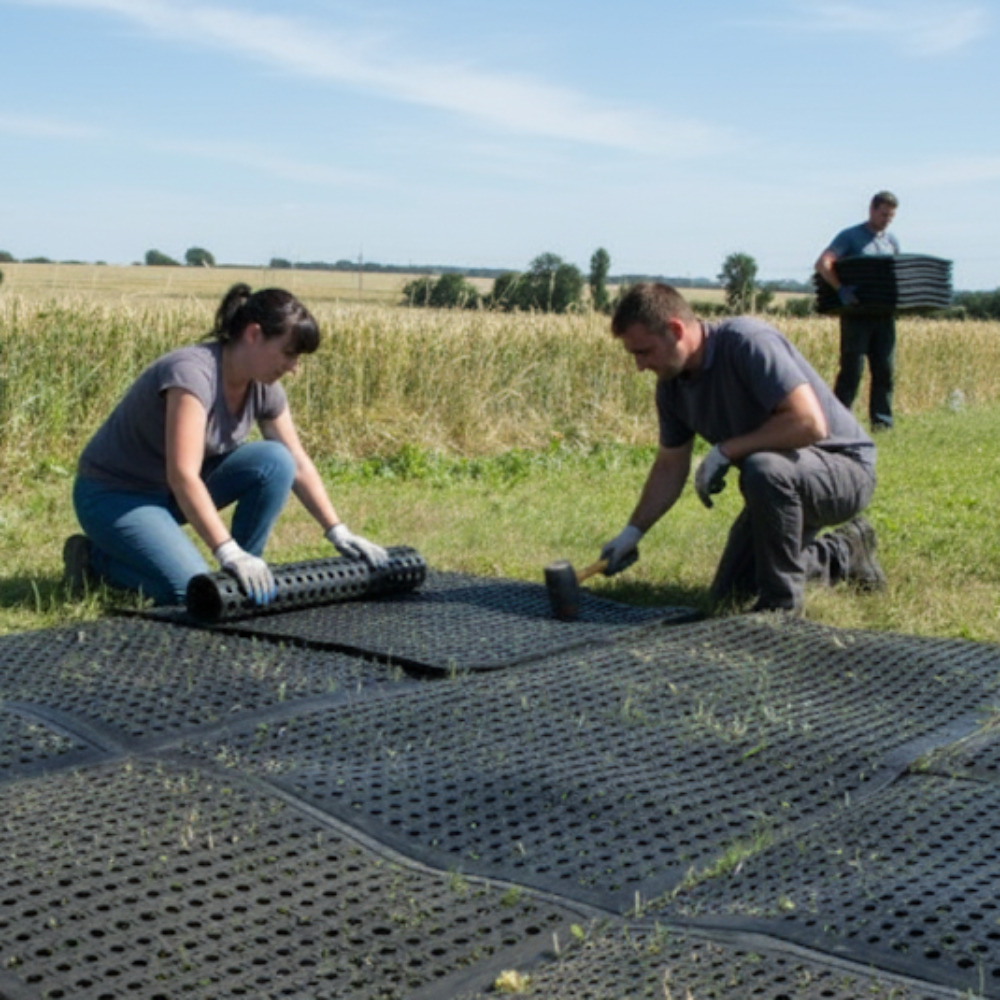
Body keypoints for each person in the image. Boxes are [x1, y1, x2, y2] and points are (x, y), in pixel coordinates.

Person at [65, 283, 388, 606]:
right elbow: (183, 475)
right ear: (253, 334)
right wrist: (226, 550)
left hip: (169, 494)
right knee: (188, 592)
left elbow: (297, 461)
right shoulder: (191, 375)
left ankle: (245, 572)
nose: (294, 368)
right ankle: (94, 561)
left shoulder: (263, 387)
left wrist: (337, 530)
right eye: (289, 353)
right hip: (116, 496)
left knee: (276, 460)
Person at [599, 282, 885, 615]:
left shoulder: (746, 342)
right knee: (731, 591)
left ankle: (780, 608)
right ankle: (845, 552)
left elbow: (809, 423)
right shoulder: (672, 388)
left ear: (676, 329)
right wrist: (632, 533)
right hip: (780, 481)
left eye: (644, 352)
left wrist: (727, 450)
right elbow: (668, 467)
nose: (640, 366)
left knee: (763, 468)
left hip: (843, 471)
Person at [815, 190, 900, 431]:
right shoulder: (850, 237)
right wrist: (841, 289)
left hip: (883, 316)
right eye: (883, 214)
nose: (886, 220)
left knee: (885, 369)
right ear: (871, 209)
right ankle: (837, 421)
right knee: (853, 370)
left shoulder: (891, 241)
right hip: (856, 315)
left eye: (890, 217)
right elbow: (823, 263)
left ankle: (882, 422)